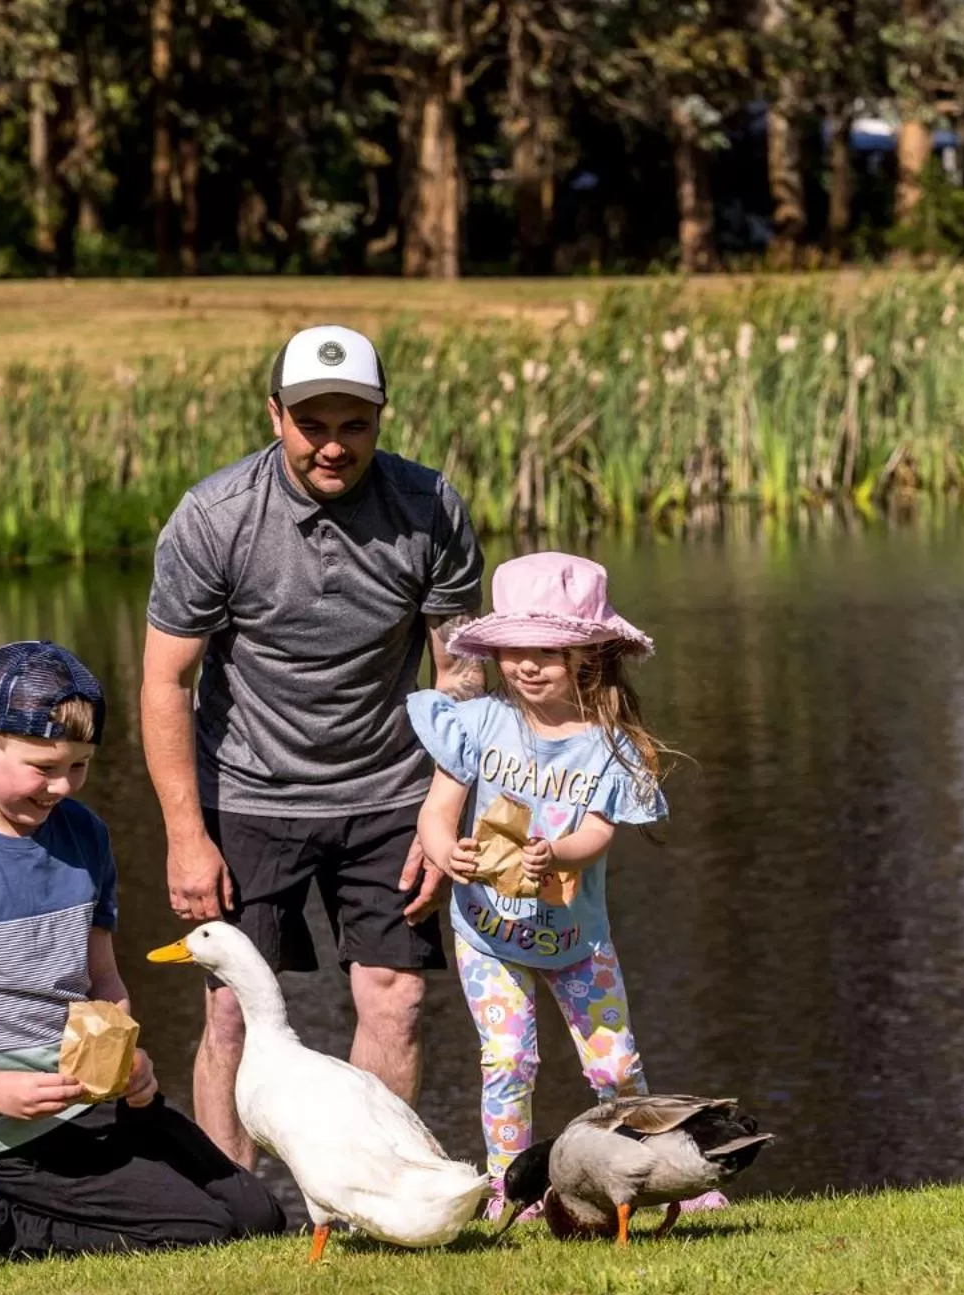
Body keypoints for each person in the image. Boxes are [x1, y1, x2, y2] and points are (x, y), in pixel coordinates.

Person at [141, 324, 486, 1167]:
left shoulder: (429, 509)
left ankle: (372, 1192)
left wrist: (445, 811)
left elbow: (464, 673)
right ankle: (230, 1211)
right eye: (313, 424)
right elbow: (165, 683)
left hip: (390, 794)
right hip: (250, 796)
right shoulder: (216, 517)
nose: (333, 445)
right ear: (276, 414)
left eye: (354, 424)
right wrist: (187, 836)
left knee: (396, 998)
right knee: (231, 1009)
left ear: (380, 417)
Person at [0, 640, 286, 1275]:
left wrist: (129, 1057)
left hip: (96, 1100)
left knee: (259, 1219)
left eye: (80, 766)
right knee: (200, 1233)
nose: (62, 787)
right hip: (1, 1128)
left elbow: (102, 977)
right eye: (43, 767)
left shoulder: (84, 834)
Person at [408, 551, 722, 1218]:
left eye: (546, 650)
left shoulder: (608, 746)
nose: (526, 664)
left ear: (588, 655)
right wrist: (445, 851)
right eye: (514, 648)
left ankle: (664, 1173)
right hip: (488, 936)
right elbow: (437, 810)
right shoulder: (478, 722)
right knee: (509, 1061)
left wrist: (554, 855)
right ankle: (506, 1192)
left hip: (579, 940)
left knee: (614, 1069)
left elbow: (597, 836)